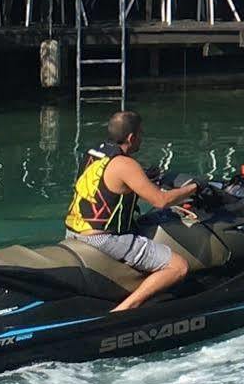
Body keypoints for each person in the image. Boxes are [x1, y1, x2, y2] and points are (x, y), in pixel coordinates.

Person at [64, 110, 198, 312]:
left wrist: (146, 176)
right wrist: (194, 188)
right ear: (131, 137)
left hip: (74, 232)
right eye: (141, 134)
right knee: (178, 267)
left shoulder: (94, 154)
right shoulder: (126, 165)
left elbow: (107, 183)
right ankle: (125, 309)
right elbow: (161, 201)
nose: (141, 139)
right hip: (102, 239)